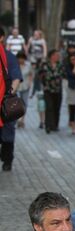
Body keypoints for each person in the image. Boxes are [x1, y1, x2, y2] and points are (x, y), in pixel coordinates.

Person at [0, 29, 22, 172]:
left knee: (7, 134)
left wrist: (8, 95)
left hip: (4, 103)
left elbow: (16, 78)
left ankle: (7, 160)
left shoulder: (9, 57)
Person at [39, 50, 65, 134]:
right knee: (49, 107)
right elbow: (40, 74)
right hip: (48, 89)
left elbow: (63, 74)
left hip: (58, 89)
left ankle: (55, 125)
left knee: (57, 107)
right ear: (52, 56)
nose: (58, 57)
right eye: (56, 55)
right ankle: (48, 125)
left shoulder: (60, 65)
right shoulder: (45, 64)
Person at [16, 52, 33, 129]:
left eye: (22, 58)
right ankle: (18, 119)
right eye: (19, 58)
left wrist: (30, 83)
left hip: (25, 86)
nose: (20, 60)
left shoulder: (28, 65)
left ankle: (22, 120)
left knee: (24, 103)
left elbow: (31, 74)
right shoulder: (15, 65)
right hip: (17, 87)